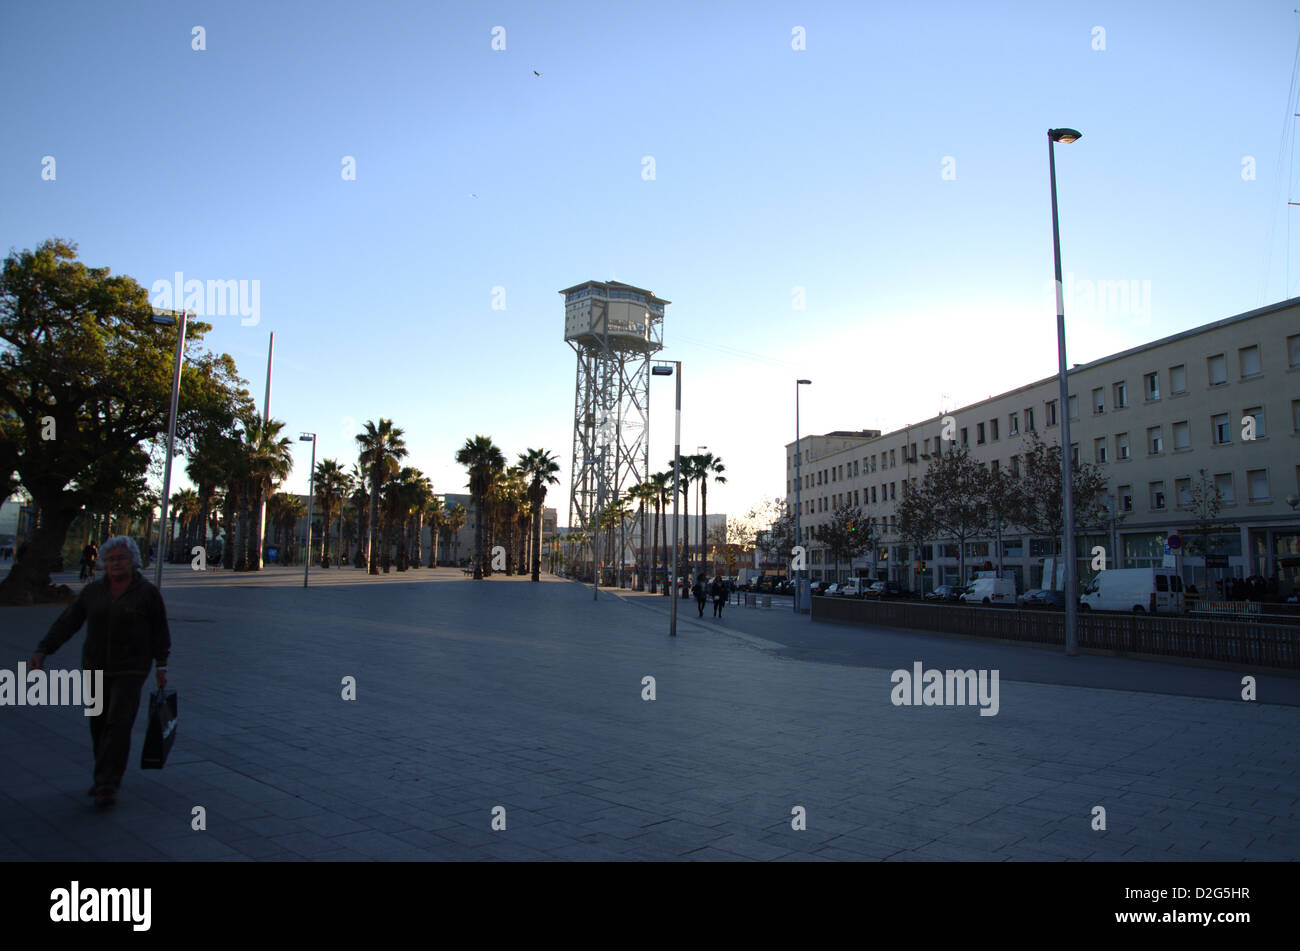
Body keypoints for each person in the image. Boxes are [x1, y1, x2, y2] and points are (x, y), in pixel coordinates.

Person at [28, 536, 170, 808]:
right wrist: (43, 650)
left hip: (131, 669)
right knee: (99, 724)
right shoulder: (93, 592)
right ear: (104, 563)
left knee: (118, 723)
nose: (116, 563)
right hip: (94, 668)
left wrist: (161, 664)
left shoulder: (147, 593)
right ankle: (103, 773)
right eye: (111, 559)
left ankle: (108, 783)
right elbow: (68, 622)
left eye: (122, 558)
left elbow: (160, 631)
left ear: (133, 561)